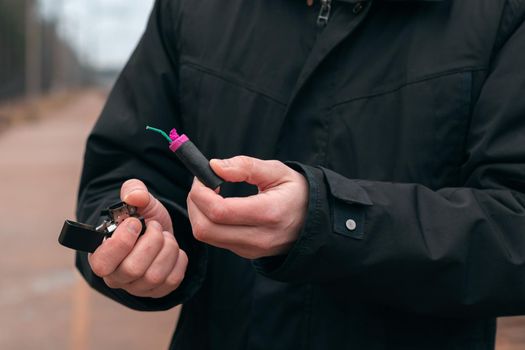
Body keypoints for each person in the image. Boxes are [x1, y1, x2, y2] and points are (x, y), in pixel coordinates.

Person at [75, 0, 525, 349]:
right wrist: (140, 242)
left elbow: (514, 225)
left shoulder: (501, 13)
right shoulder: (191, 8)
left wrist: (333, 219)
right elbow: (120, 170)